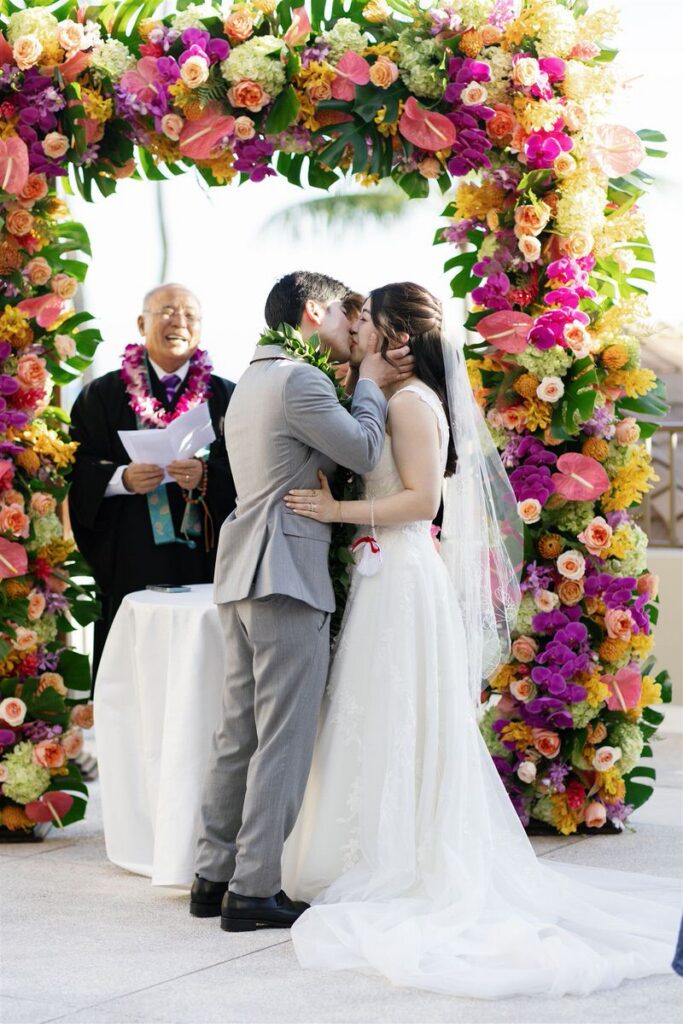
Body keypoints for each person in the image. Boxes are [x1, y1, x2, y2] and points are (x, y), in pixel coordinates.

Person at [280, 282, 680, 998]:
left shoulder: (408, 402)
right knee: (378, 711)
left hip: (399, 573)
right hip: (387, 575)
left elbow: (420, 501)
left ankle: (396, 855)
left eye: (368, 321)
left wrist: (336, 507)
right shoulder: (391, 394)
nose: (359, 331)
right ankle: (363, 843)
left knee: (397, 710)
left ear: (397, 336)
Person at [190, 271, 414, 931]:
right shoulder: (300, 380)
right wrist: (369, 381)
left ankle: (213, 875)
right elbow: (365, 446)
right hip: (284, 571)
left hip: (243, 571)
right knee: (282, 736)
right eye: (349, 319)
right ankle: (254, 890)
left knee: (239, 732)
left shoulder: (254, 380)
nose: (356, 332)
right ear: (313, 312)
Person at [69, 283, 236, 685]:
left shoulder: (226, 396)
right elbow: (76, 466)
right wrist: (120, 478)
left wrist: (207, 475)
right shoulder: (101, 395)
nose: (179, 321)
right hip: (132, 556)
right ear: (142, 323)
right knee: (135, 679)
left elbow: (251, 467)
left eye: (190, 315)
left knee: (201, 678)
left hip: (205, 562)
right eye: (167, 311)